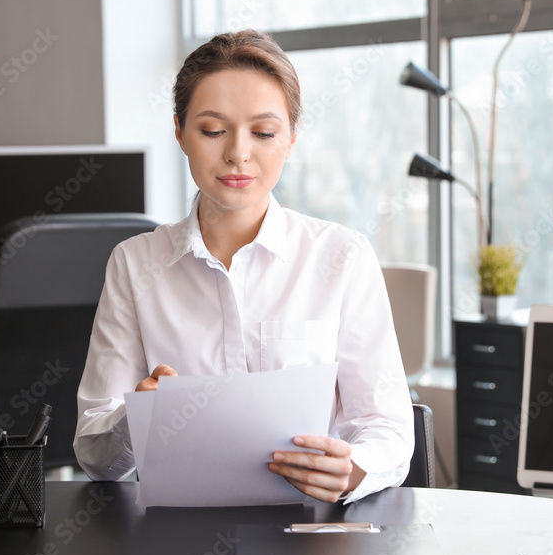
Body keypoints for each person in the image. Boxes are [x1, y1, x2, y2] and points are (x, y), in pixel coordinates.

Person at [73, 29, 413, 503]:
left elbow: (388, 429)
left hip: (312, 537)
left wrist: (354, 470)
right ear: (180, 132)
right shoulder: (135, 264)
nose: (238, 152)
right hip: (177, 542)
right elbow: (95, 456)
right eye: (213, 130)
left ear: (291, 138)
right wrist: (138, 418)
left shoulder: (342, 257)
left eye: (264, 132)